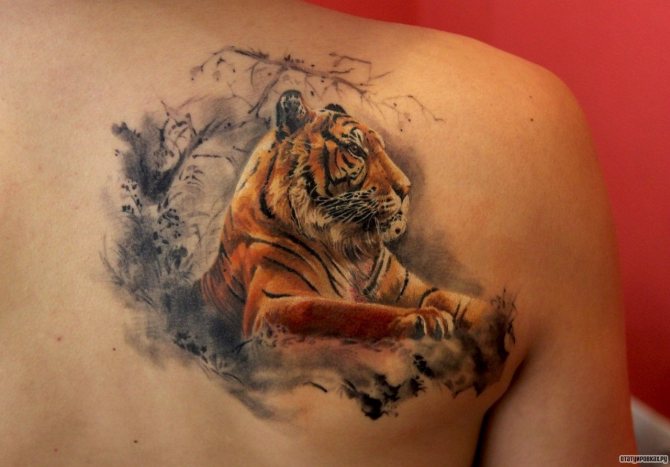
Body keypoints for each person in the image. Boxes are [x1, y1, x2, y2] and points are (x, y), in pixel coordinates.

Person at [0, 0, 636, 465]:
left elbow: (436, 303)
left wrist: (462, 314)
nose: (398, 183)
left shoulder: (343, 236)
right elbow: (276, 317)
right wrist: (401, 324)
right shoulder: (526, 123)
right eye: (358, 156)